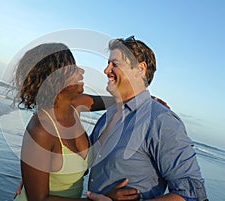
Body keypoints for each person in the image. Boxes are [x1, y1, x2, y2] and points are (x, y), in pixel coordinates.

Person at [12, 42, 140, 201]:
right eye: (73, 68)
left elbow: (117, 100)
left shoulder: (75, 105)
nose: (81, 71)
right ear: (56, 77)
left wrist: (143, 101)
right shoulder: (41, 129)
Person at [87, 36, 208, 200]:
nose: (106, 70)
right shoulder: (106, 117)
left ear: (140, 69)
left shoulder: (161, 120)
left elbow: (192, 192)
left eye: (114, 64)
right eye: (108, 63)